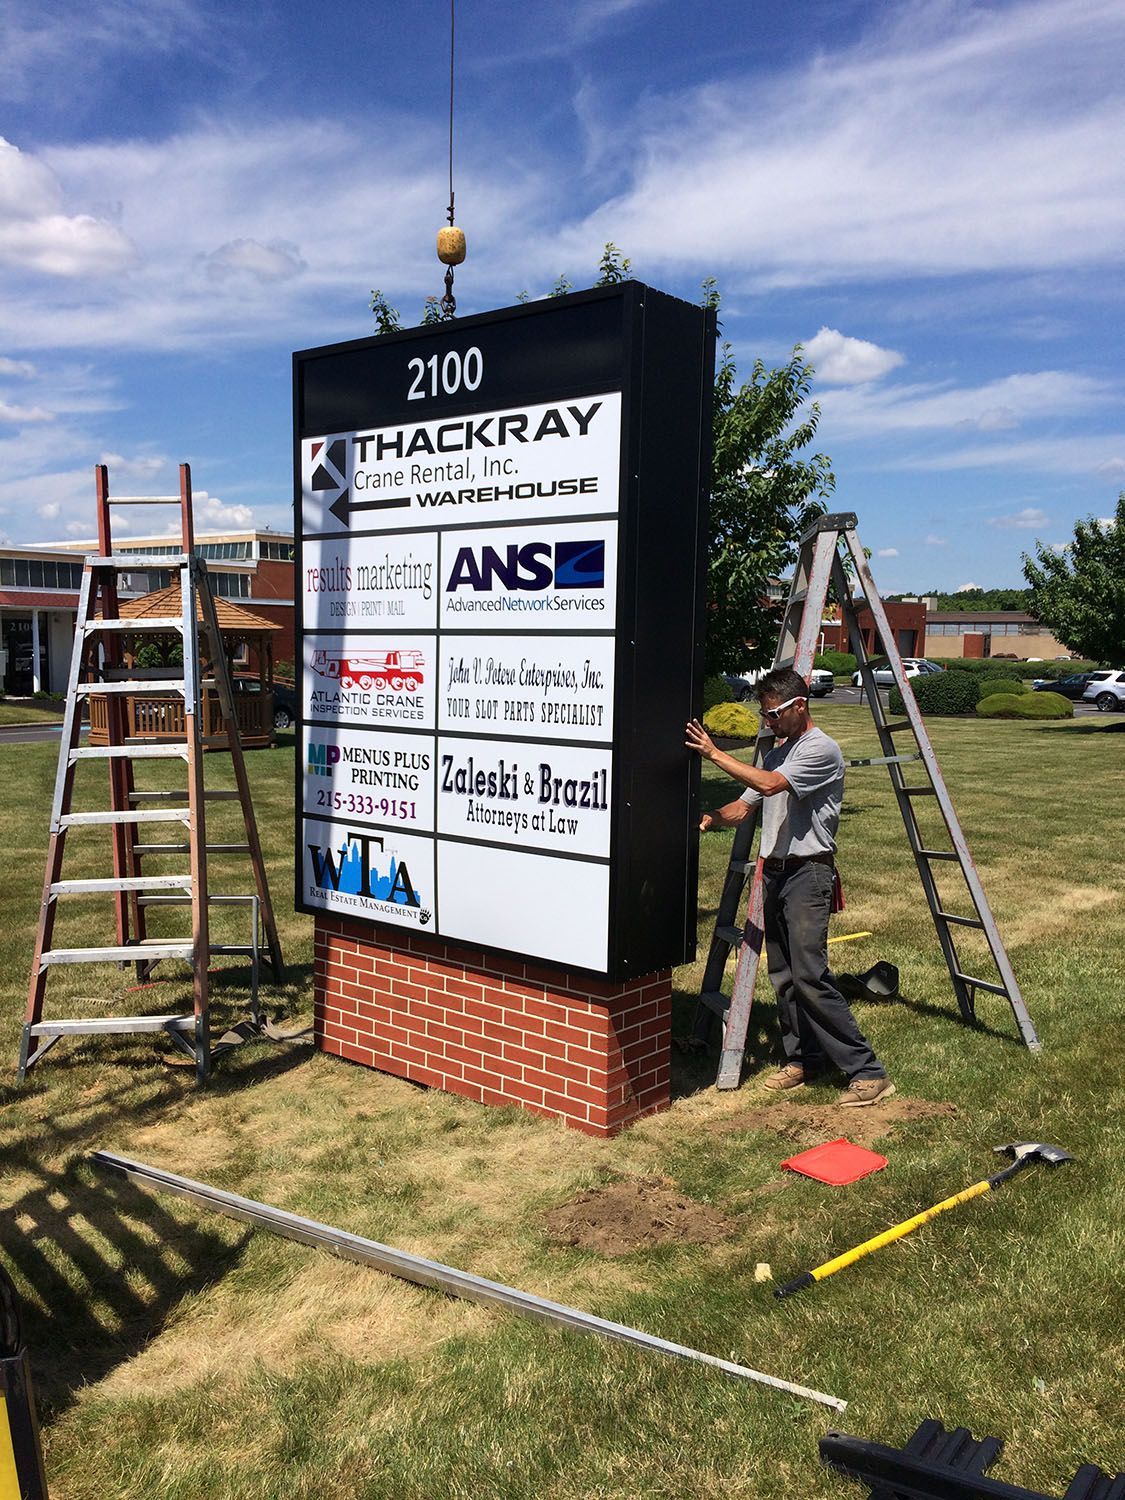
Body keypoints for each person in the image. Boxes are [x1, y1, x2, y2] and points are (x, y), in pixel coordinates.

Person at [685, 667, 893, 1106]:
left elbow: (771, 784)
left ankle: (867, 1071)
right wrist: (710, 818)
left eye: (774, 714)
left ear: (800, 705)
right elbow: (745, 806)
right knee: (783, 976)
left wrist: (715, 755)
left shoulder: (821, 750)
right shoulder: (779, 751)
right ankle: (804, 1060)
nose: (769, 723)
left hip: (808, 873)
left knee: (810, 975)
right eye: (764, 715)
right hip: (775, 873)